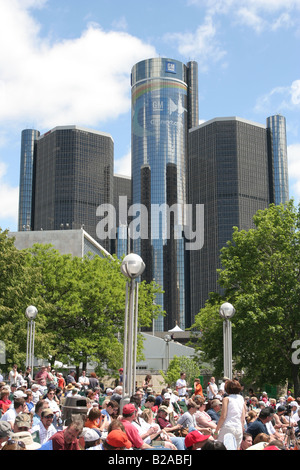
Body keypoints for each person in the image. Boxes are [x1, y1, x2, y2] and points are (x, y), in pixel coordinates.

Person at [214, 379, 246, 449]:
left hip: (228, 426)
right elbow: (243, 417)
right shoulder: (241, 398)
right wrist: (242, 427)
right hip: (238, 427)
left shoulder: (226, 399)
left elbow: (223, 416)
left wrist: (216, 431)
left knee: (220, 447)